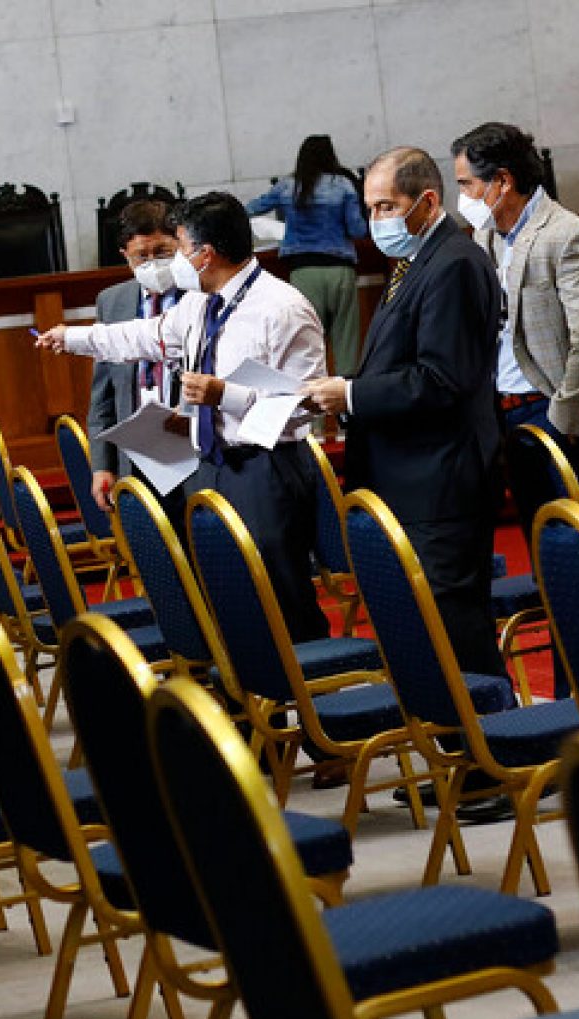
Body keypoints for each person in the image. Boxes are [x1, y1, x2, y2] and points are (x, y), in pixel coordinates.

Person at [38, 191, 329, 643]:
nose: (172, 261)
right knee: (226, 598)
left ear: (204, 254)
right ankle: (249, 704)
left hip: (265, 470)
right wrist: (72, 338)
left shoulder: (282, 307)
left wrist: (225, 395)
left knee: (281, 596)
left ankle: (317, 700)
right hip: (209, 465)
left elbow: (308, 404)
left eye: (178, 245)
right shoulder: (198, 302)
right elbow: (143, 336)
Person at [302, 147, 506, 680]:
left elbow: (441, 380)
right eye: (371, 209)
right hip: (413, 478)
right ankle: (464, 754)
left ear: (428, 201)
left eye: (387, 207)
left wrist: (349, 395)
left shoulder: (453, 264)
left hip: (441, 483)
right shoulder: (415, 262)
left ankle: (496, 753)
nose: (376, 222)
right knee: (430, 639)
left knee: (458, 638)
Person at [451, 122, 579, 521]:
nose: (462, 198)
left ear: (502, 181)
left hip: (559, 416)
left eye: (467, 185)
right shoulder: (485, 237)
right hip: (506, 415)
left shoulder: (568, 235)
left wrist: (565, 417)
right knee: (542, 548)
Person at [87, 199, 184, 528]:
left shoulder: (200, 295)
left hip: (191, 448)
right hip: (137, 453)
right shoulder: (112, 302)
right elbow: (103, 395)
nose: (152, 262)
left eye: (163, 251)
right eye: (142, 256)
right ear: (125, 256)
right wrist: (103, 464)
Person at [246, 135, 368, 376]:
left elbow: (249, 209)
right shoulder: (343, 185)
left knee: (308, 345)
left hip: (302, 272)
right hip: (340, 270)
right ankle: (345, 406)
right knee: (346, 342)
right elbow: (358, 230)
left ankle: (314, 411)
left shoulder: (287, 186)